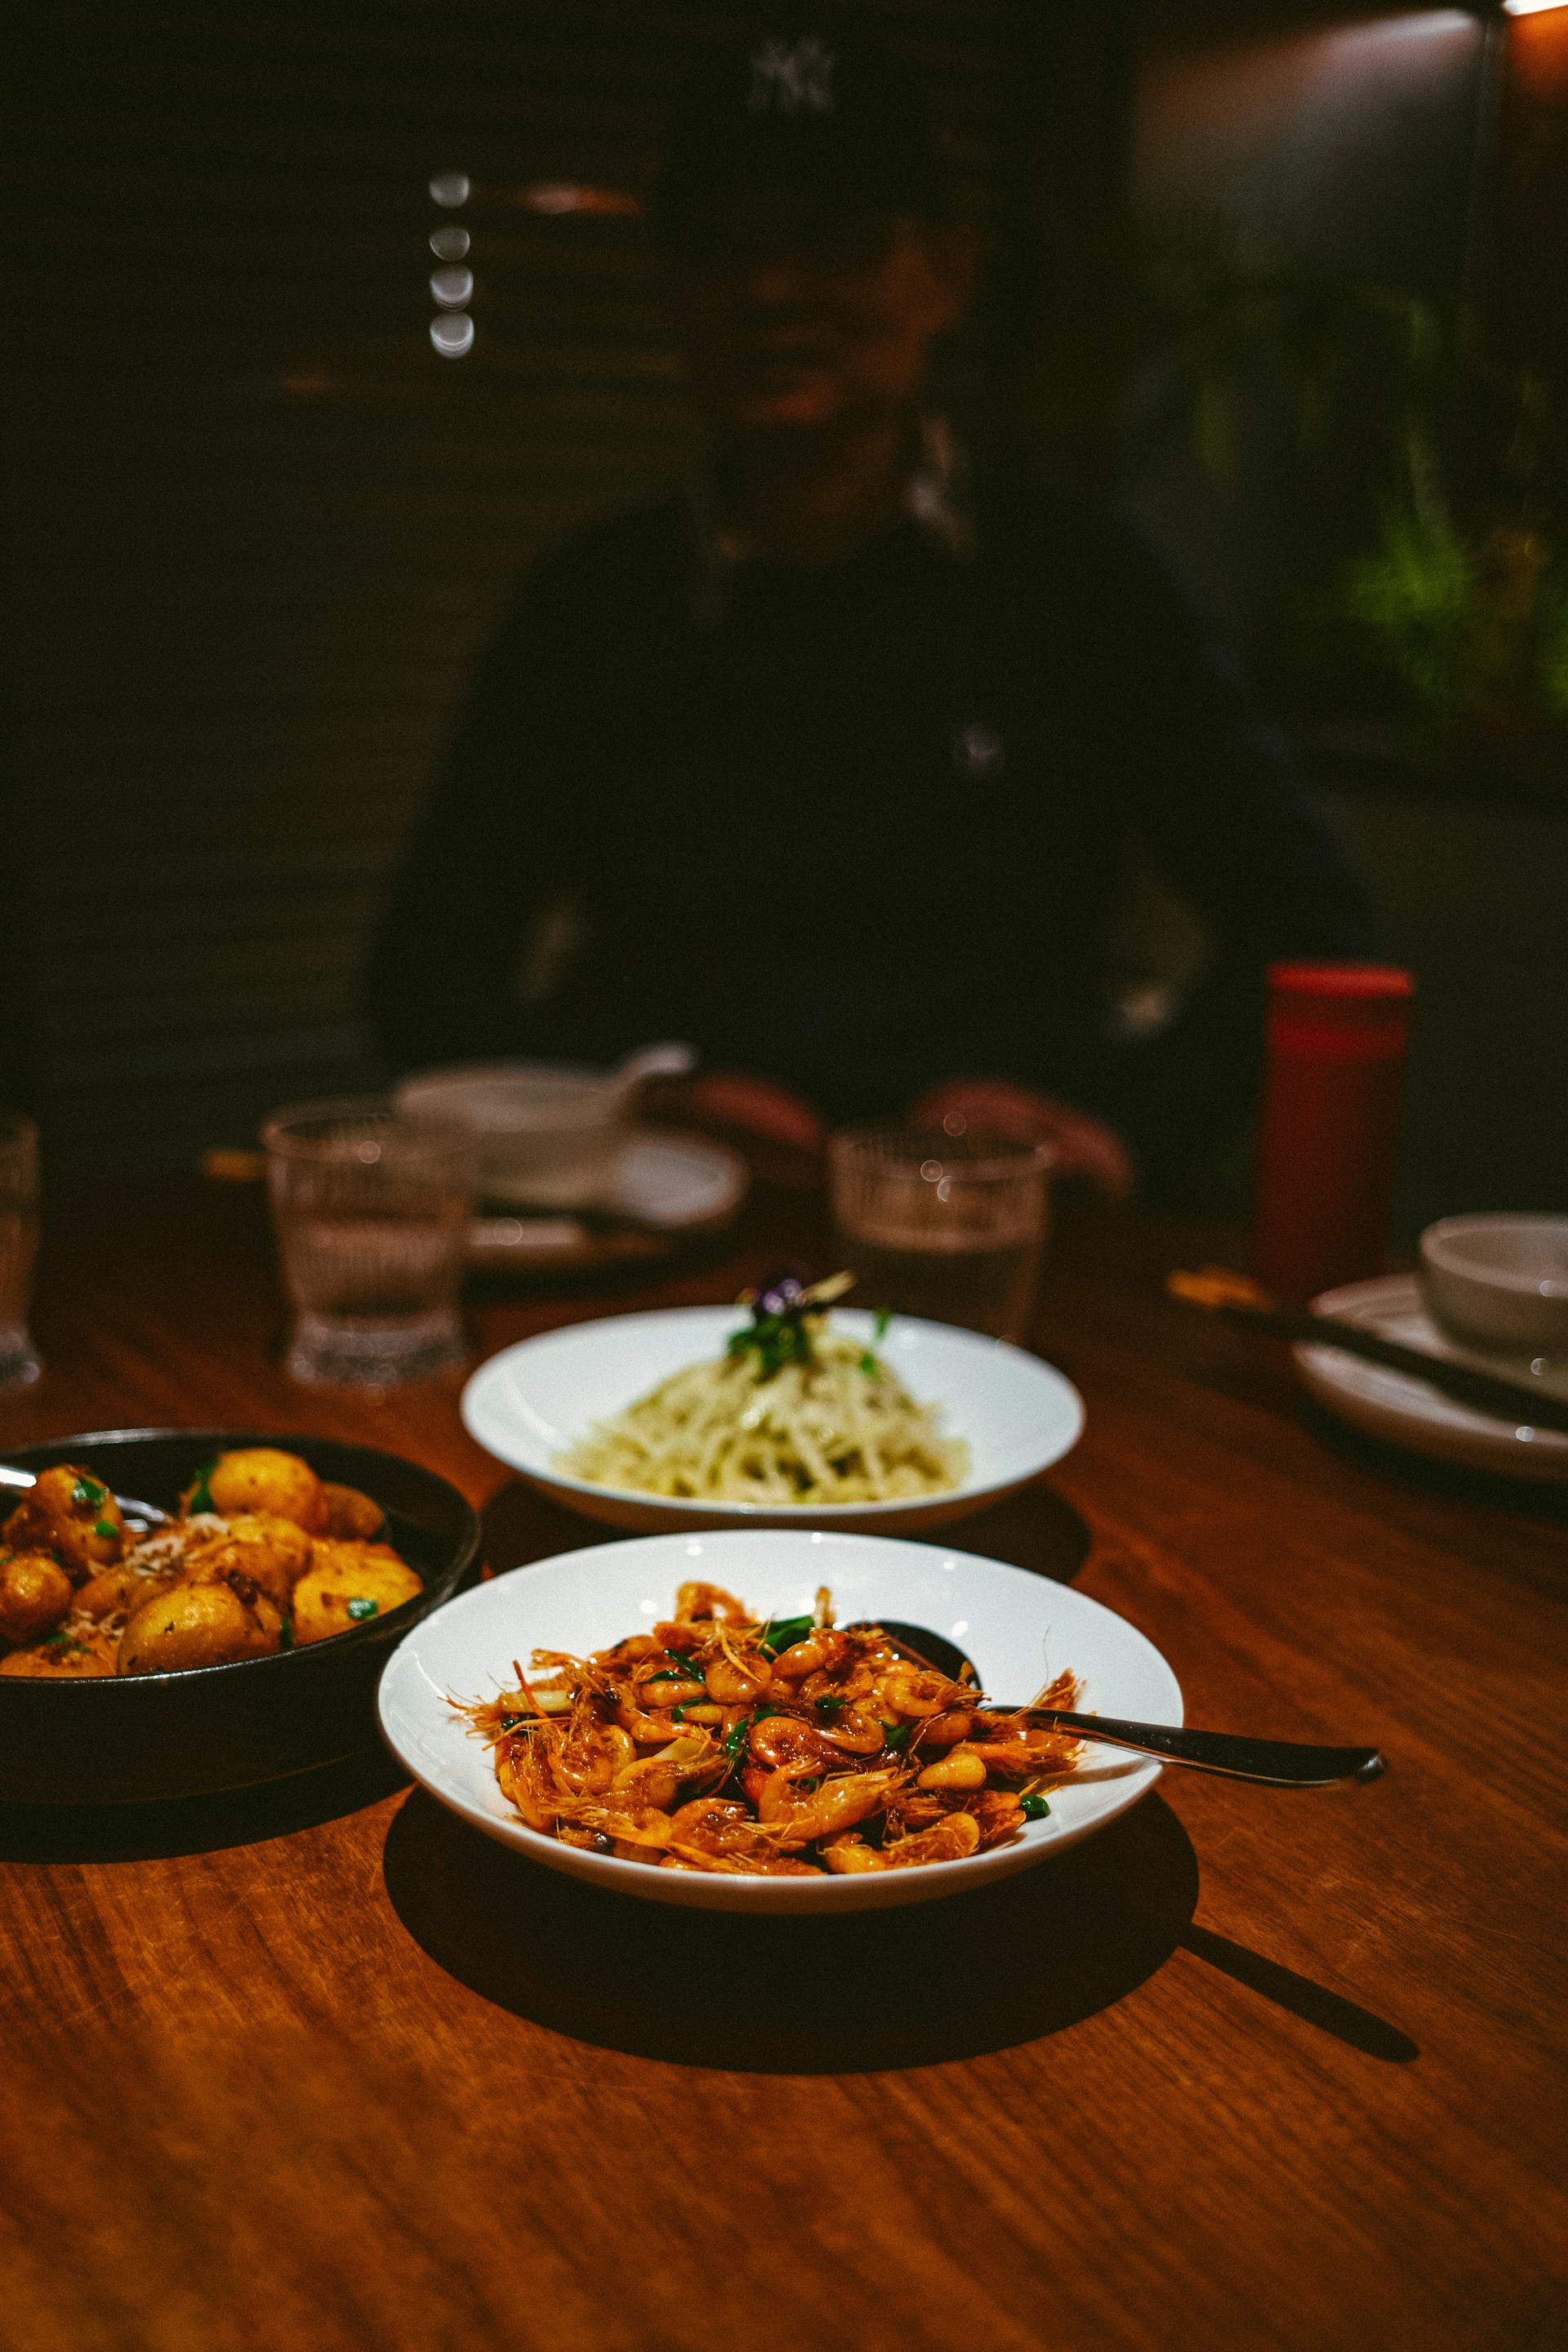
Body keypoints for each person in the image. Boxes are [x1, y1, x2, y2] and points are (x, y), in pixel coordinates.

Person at [369, 15, 1379, 1198]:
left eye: (836, 238)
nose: (772, 289)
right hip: (665, 1216)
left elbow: (1314, 928)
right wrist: (640, 1091)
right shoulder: (594, 600)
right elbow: (422, 977)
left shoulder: (1079, 579)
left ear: (946, 270)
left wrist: (1125, 1127)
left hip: (990, 1233)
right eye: (719, 244)